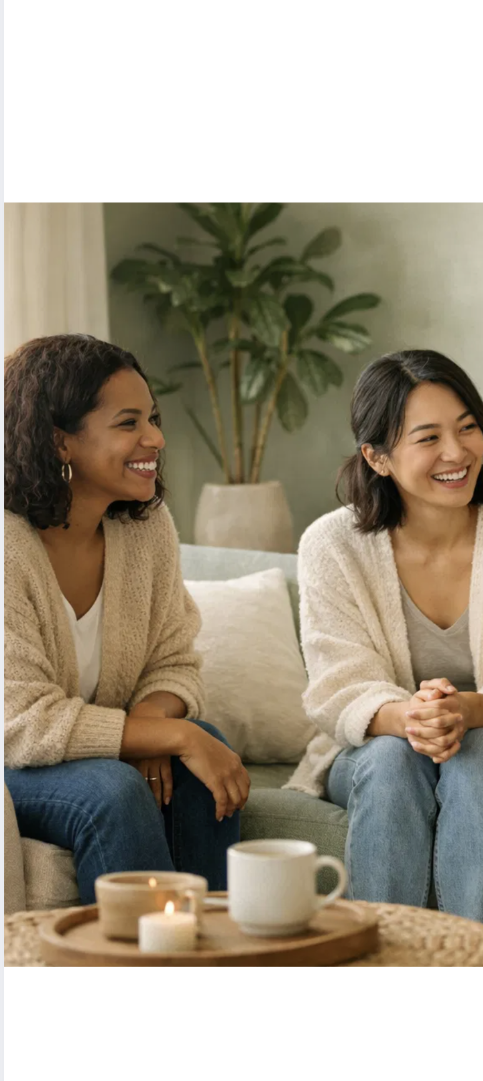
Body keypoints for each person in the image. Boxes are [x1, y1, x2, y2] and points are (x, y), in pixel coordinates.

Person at [291, 349, 483, 935]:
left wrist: (464, 713)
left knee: (476, 754)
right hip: (385, 744)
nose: (457, 453)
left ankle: (472, 966)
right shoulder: (330, 545)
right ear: (377, 457)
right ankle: (386, 965)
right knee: (391, 759)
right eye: (428, 438)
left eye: (467, 427)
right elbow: (339, 689)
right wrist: (413, 719)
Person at [3, 334, 247, 901]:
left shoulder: (146, 528)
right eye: (128, 423)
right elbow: (20, 723)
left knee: (200, 753)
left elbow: (175, 662)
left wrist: (154, 727)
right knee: (114, 790)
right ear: (60, 441)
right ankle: (142, 959)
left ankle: (213, 946)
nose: (155, 438)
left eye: (152, 419)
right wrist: (166, 734)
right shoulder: (7, 549)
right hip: (13, 760)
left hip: (85, 750)